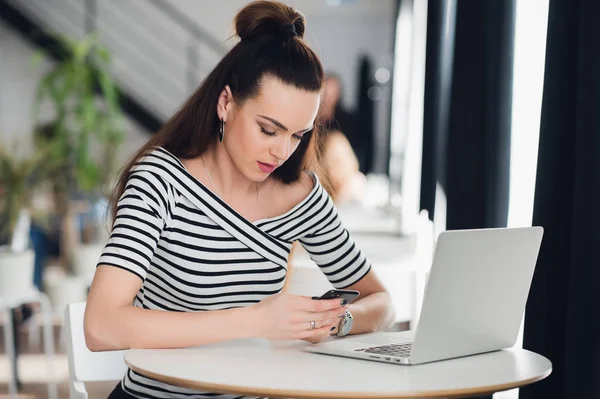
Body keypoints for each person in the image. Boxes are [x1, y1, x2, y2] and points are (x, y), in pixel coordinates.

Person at [84, 2, 395, 398]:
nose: (281, 151)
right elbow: (100, 325)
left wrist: (333, 321)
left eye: (297, 135)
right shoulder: (160, 180)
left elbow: (382, 303)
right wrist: (256, 321)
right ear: (226, 104)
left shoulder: (300, 198)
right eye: (268, 129)